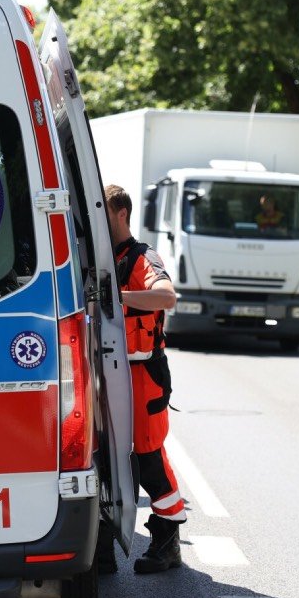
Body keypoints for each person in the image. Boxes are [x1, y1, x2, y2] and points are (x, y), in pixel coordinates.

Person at [103, 184, 187, 574]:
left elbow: (166, 296)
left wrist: (119, 296)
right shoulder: (103, 256)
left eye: (101, 209)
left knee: (149, 457)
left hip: (144, 374)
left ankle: (168, 541)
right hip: (112, 372)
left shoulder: (140, 256)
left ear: (121, 212)